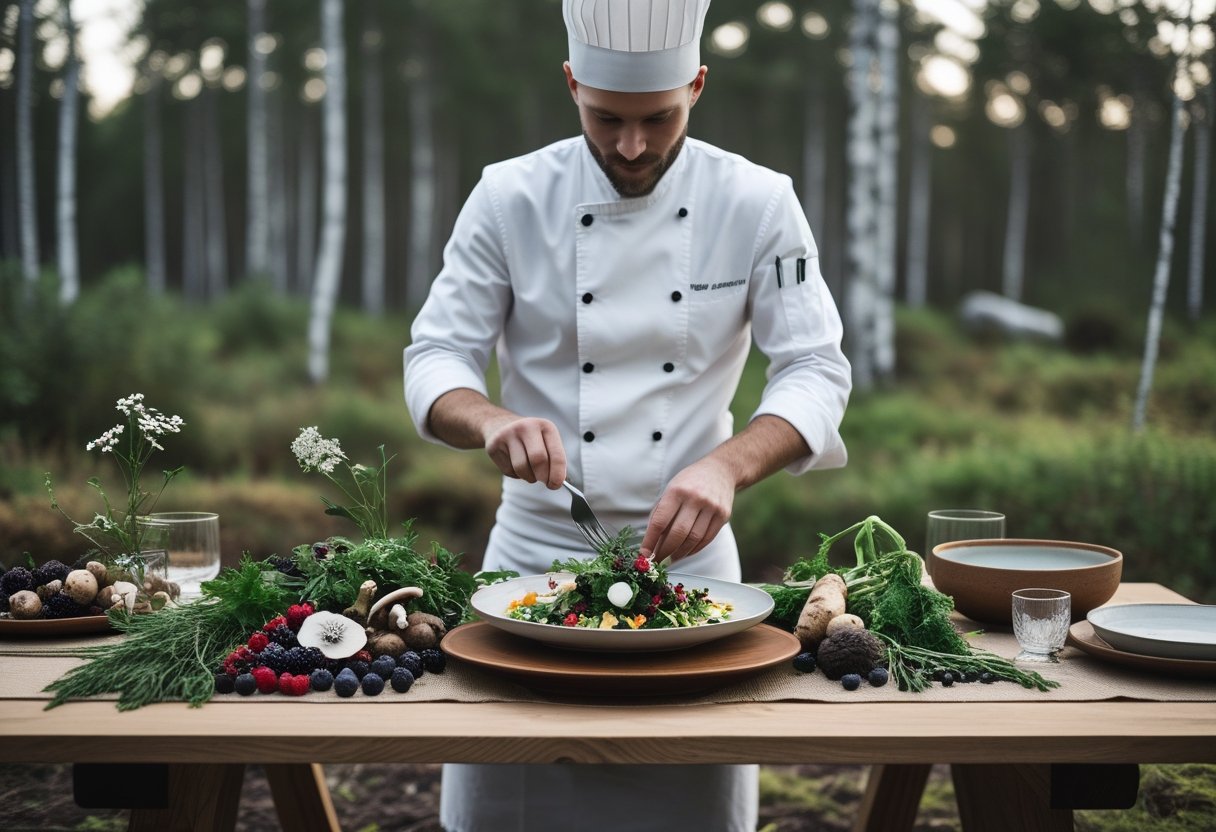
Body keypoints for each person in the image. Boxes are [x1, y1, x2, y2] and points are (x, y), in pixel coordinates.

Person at [403, 1, 851, 829]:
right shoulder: (508, 197)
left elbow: (815, 369)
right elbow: (435, 358)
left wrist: (727, 464)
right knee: (512, 802)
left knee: (689, 803)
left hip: (695, 576)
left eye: (659, 117)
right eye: (606, 117)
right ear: (571, 83)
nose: (633, 145)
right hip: (530, 567)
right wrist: (492, 421)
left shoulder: (758, 201)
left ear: (699, 85)